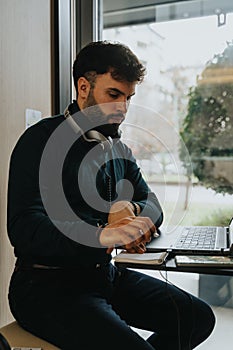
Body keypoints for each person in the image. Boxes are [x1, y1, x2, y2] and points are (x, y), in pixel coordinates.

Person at [7, 40, 215, 350]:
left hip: (105, 276)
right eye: (113, 95)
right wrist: (102, 234)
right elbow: (25, 228)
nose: (123, 108)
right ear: (82, 87)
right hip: (44, 289)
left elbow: (152, 203)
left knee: (197, 317)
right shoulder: (38, 140)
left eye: (129, 98)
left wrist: (130, 210)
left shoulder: (119, 150)